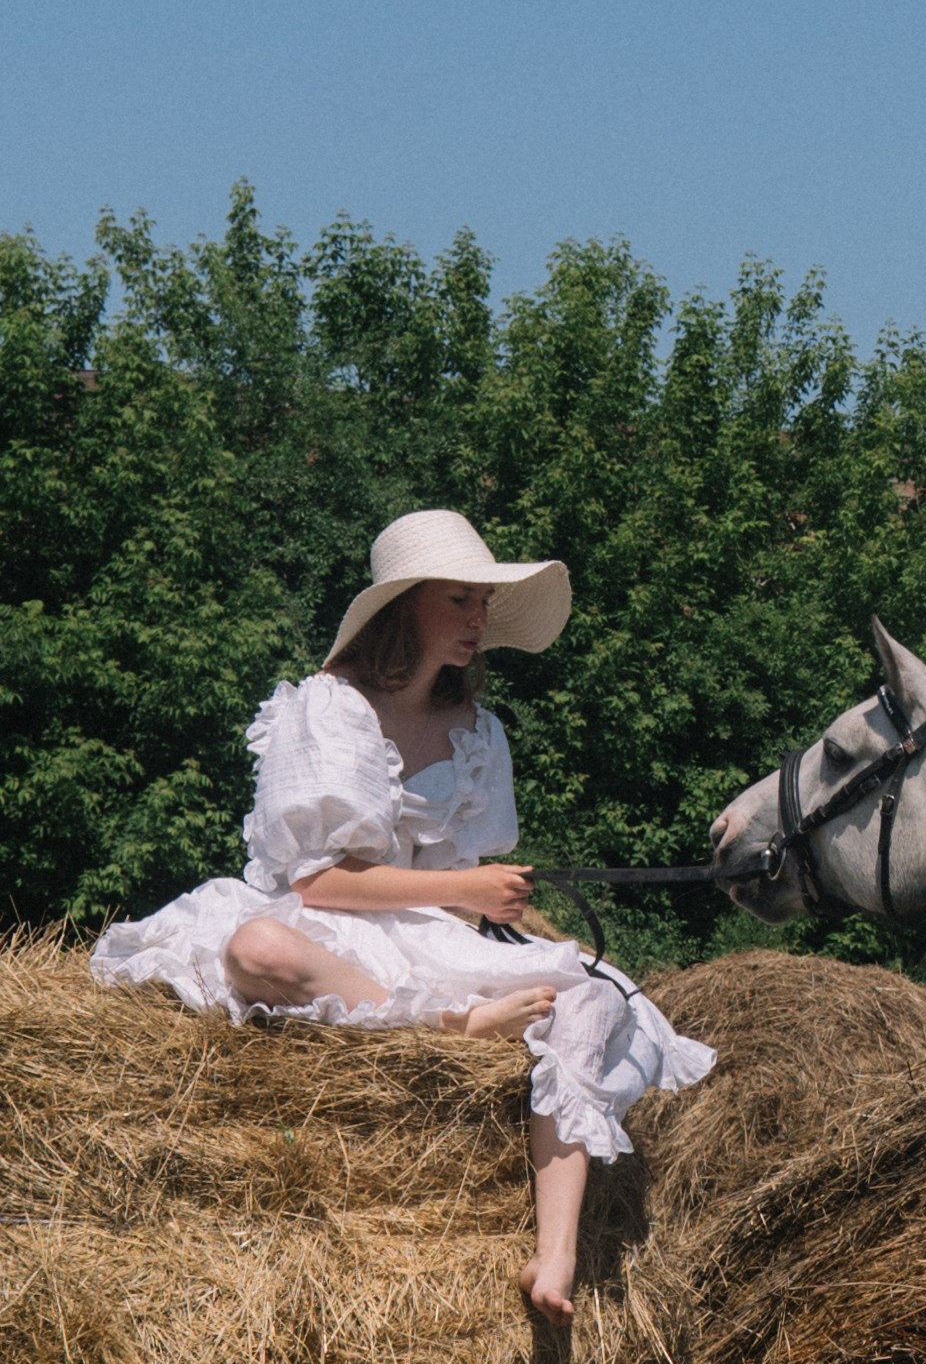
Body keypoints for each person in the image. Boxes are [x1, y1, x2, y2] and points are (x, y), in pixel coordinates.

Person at [89, 508, 716, 1322]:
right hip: (336, 923)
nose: (477, 620)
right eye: (458, 599)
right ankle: (446, 1025)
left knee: (592, 997)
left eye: (482, 603)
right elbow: (318, 882)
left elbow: (461, 882)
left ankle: (556, 1253)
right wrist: (462, 890)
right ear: (405, 605)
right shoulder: (327, 707)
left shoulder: (477, 731)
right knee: (256, 947)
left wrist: (491, 898)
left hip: (433, 935)